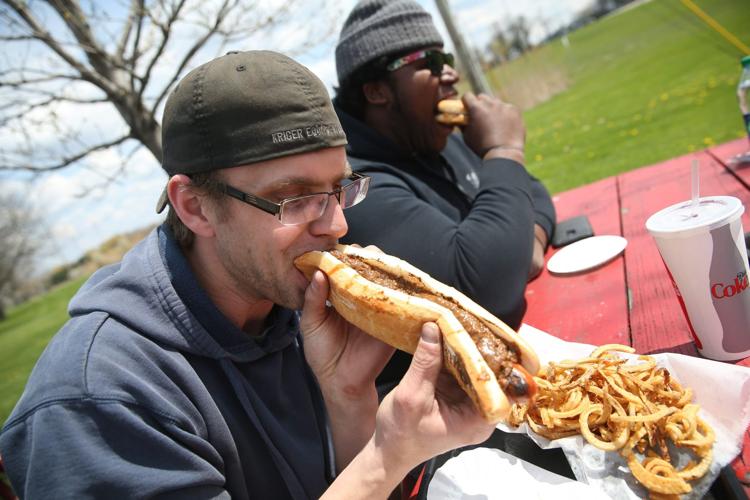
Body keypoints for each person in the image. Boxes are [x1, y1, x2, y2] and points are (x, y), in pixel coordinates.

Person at [0, 50, 495, 499]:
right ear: (195, 207)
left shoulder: (288, 308)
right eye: (296, 198)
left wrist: (349, 400)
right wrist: (387, 456)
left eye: (341, 187)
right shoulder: (101, 402)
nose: (338, 224)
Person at [333, 0, 556, 390]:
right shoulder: (354, 185)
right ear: (376, 91)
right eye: (430, 62)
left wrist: (528, 242)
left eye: (447, 57)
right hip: (448, 410)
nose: (450, 73)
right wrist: (505, 151)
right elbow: (485, 292)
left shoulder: (436, 137)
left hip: (530, 344)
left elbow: (530, 190)